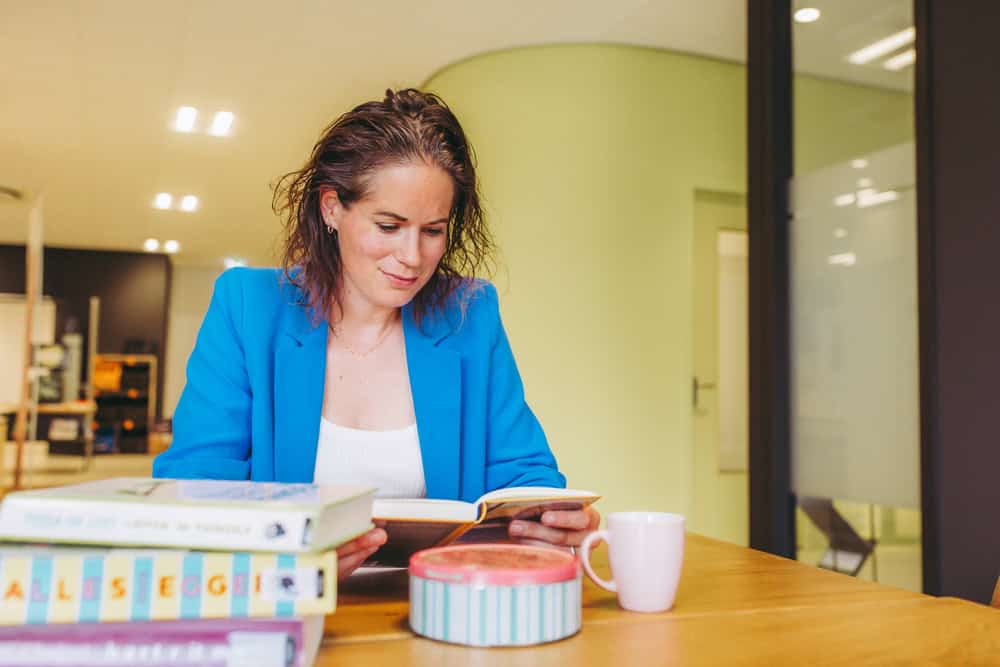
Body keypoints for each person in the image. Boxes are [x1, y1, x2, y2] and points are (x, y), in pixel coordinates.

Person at [153, 89, 599, 578]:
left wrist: (551, 520)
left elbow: (523, 474)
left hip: (438, 607)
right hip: (291, 607)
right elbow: (196, 488)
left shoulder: (470, 315)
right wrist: (288, 559)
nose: (412, 256)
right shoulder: (247, 307)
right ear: (331, 209)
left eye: (433, 230)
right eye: (389, 225)